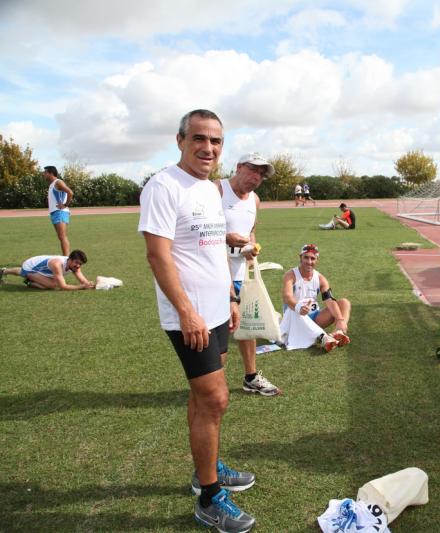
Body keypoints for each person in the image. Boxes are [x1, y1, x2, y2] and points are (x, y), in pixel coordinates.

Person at [138, 109, 256, 533]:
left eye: (216, 141)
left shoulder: (208, 188)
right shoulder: (164, 185)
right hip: (189, 316)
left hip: (218, 310)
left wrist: (229, 296)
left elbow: (210, 250)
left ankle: (206, 468)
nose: (208, 148)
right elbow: (158, 255)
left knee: (203, 398)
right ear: (181, 140)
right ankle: (209, 497)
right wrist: (187, 311)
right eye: (199, 139)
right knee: (215, 399)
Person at [218, 152, 281, 398]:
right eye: (253, 170)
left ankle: (251, 377)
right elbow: (200, 232)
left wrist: (251, 249)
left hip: (242, 273)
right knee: (220, 331)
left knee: (248, 327)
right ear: (238, 167)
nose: (257, 177)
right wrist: (226, 239)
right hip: (215, 273)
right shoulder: (217, 190)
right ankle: (213, 383)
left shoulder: (254, 200)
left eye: (261, 175)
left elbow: (250, 232)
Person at [281, 243, 351, 351]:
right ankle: (323, 338)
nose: (309, 262)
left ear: (317, 260)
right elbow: (287, 297)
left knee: (344, 303)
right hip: (295, 320)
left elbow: (330, 300)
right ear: (300, 257)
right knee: (293, 311)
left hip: (315, 318)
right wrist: (299, 307)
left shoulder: (320, 278)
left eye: (312, 258)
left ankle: (339, 332)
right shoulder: (290, 275)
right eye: (306, 257)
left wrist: (340, 319)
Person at [1, 250, 94, 290]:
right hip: (30, 267)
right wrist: (81, 287)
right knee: (53, 284)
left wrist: (90, 284)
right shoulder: (57, 264)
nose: (78, 266)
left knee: (50, 283)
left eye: (80, 264)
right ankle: (29, 281)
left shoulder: (74, 266)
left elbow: (83, 281)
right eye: (76, 262)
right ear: (70, 259)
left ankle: (4, 271)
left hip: (36, 265)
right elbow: (63, 286)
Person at [44, 166, 73, 256]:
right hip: (55, 212)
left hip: (60, 212)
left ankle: (66, 259)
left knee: (62, 236)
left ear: (51, 173)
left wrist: (65, 205)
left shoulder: (58, 182)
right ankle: (66, 258)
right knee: (61, 237)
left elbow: (70, 192)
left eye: (45, 173)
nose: (43, 174)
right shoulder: (52, 184)